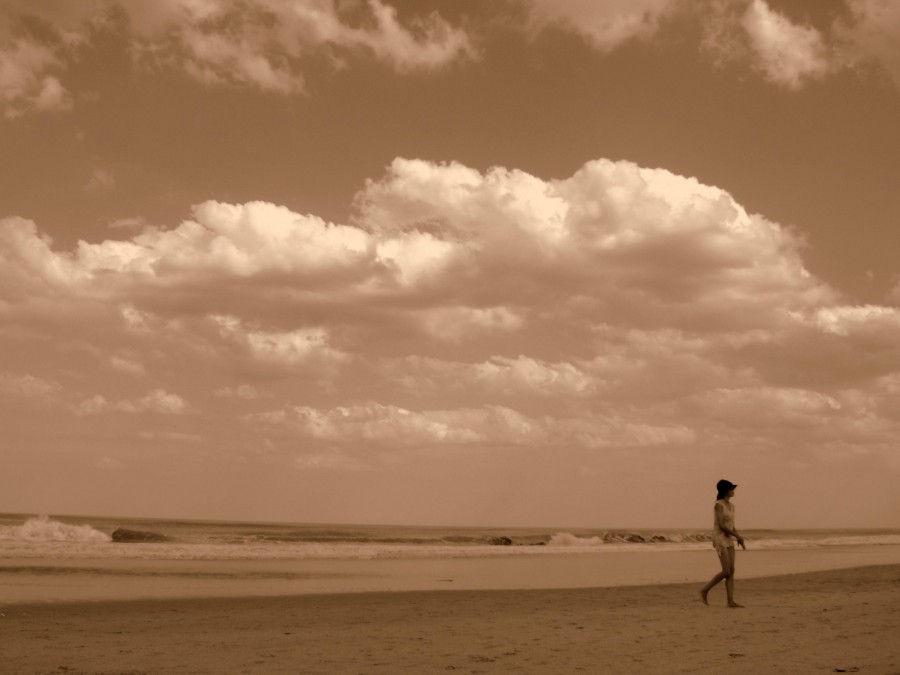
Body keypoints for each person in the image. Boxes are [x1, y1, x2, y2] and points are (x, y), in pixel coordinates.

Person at [700, 479, 746, 607]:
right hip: (719, 538)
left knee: (731, 570)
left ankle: (730, 601)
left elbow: (731, 525)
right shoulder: (719, 504)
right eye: (731, 489)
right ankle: (704, 590)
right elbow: (721, 525)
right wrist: (736, 535)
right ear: (726, 490)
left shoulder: (732, 506)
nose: (733, 491)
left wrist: (738, 537)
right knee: (726, 571)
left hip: (728, 538)